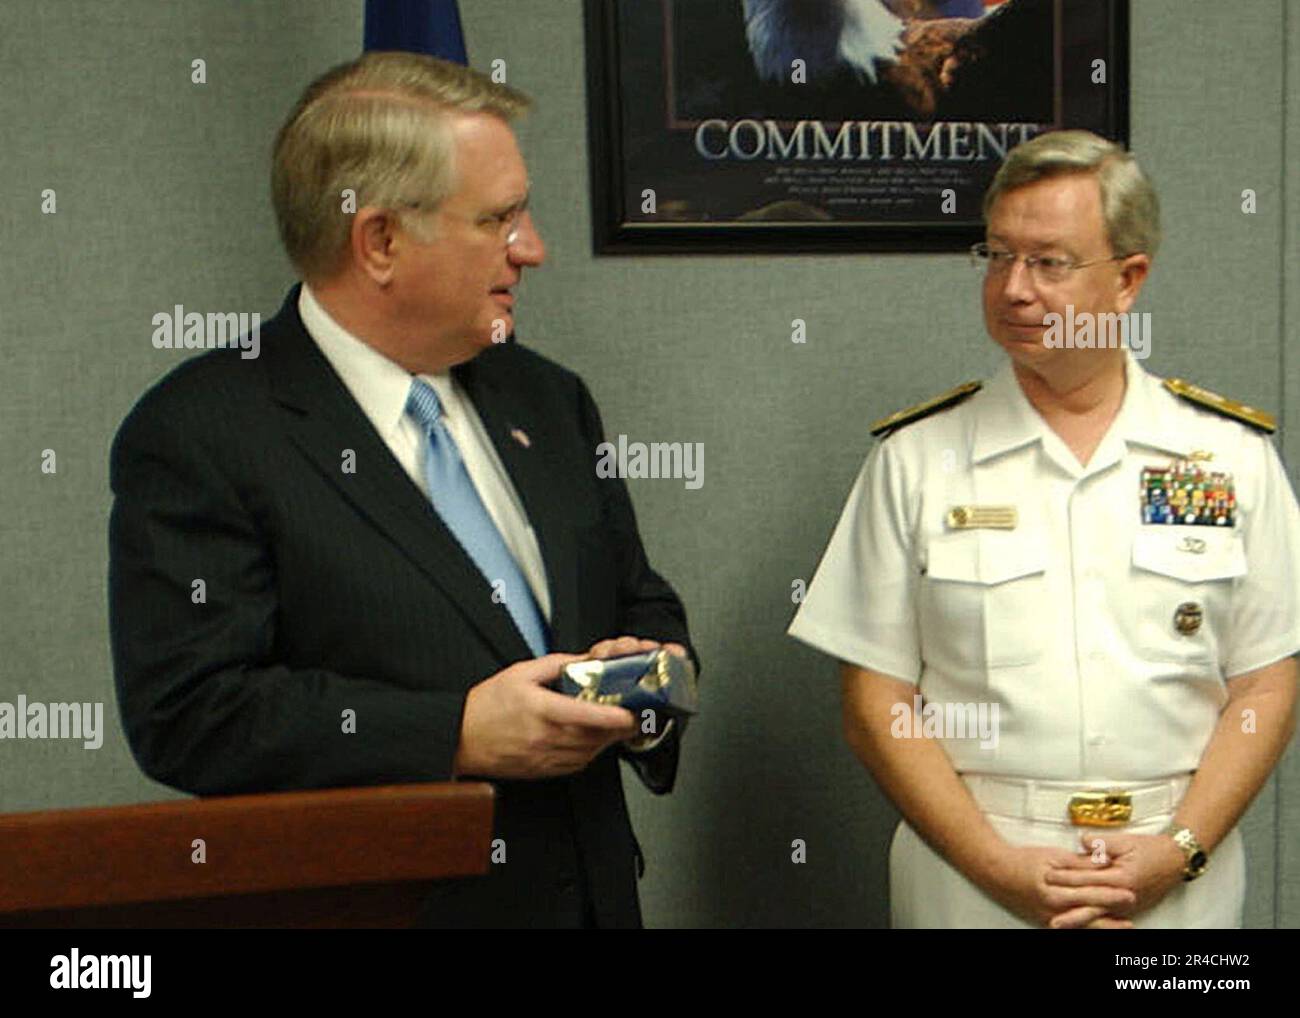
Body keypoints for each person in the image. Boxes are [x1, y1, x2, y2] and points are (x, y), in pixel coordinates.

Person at [108, 51, 697, 929]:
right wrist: (455, 732)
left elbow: (643, 601)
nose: (531, 248)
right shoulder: (205, 432)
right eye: (498, 219)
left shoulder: (547, 397)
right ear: (379, 240)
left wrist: (653, 693)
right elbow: (190, 713)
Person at [788, 129, 1299, 928]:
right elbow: (875, 699)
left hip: (1174, 875)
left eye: (1049, 263)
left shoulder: (1230, 457)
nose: (1014, 289)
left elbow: (1267, 683)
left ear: (1129, 279)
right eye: (997, 257)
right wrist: (996, 866)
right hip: (974, 873)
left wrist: (1179, 850)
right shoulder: (918, 459)